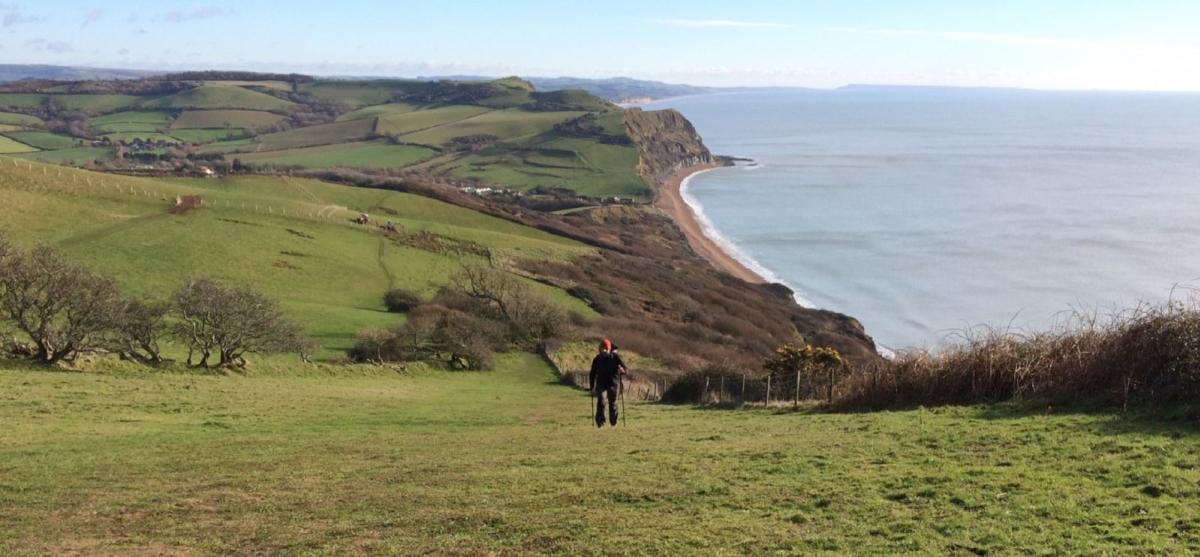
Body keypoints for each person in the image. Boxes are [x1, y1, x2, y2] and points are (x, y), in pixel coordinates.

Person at [589, 338, 627, 427]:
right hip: (601, 384)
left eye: (606, 349)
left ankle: (613, 422)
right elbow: (592, 373)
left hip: (614, 384)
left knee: (613, 404)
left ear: (609, 349)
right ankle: (600, 422)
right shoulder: (597, 359)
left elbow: (626, 369)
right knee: (601, 401)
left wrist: (622, 370)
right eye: (602, 349)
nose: (604, 350)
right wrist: (592, 387)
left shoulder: (616, 358)